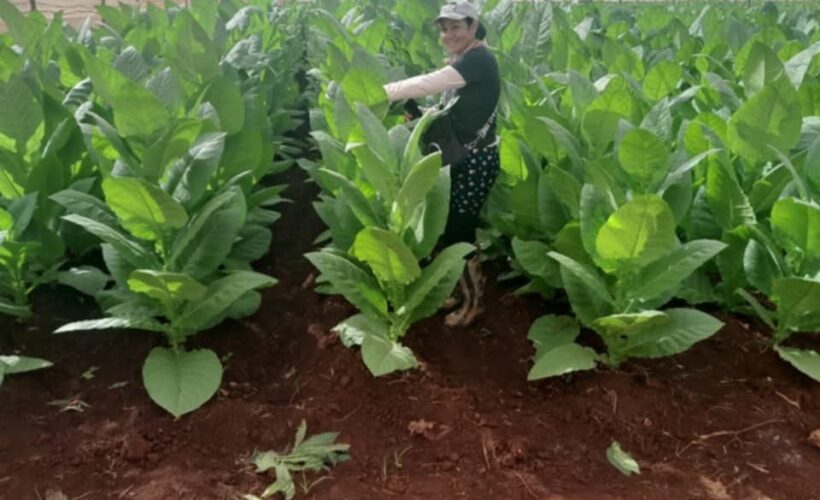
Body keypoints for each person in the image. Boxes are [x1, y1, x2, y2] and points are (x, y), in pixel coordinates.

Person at [383, 1, 500, 327]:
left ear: (473, 27)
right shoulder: (466, 59)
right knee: (452, 230)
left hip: (476, 162)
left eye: (456, 27)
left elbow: (426, 83)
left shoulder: (480, 60)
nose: (448, 35)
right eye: (444, 29)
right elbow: (446, 107)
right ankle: (461, 293)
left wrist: (380, 93)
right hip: (464, 159)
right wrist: (418, 115)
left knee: (460, 233)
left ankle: (474, 304)